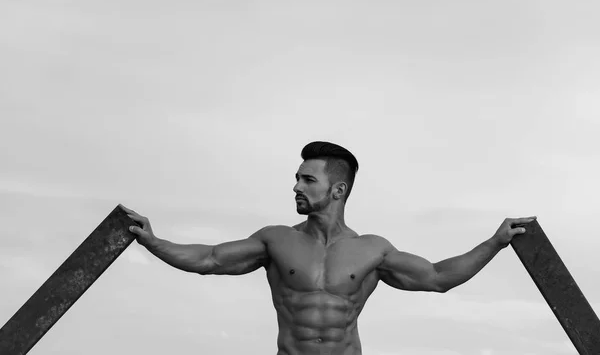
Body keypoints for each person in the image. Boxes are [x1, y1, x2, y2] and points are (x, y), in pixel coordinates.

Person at [122, 141, 535, 355]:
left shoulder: (373, 250)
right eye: (297, 178)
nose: (297, 187)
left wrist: (495, 242)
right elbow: (209, 259)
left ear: (337, 190)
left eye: (308, 180)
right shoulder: (276, 239)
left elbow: (439, 277)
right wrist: (155, 241)